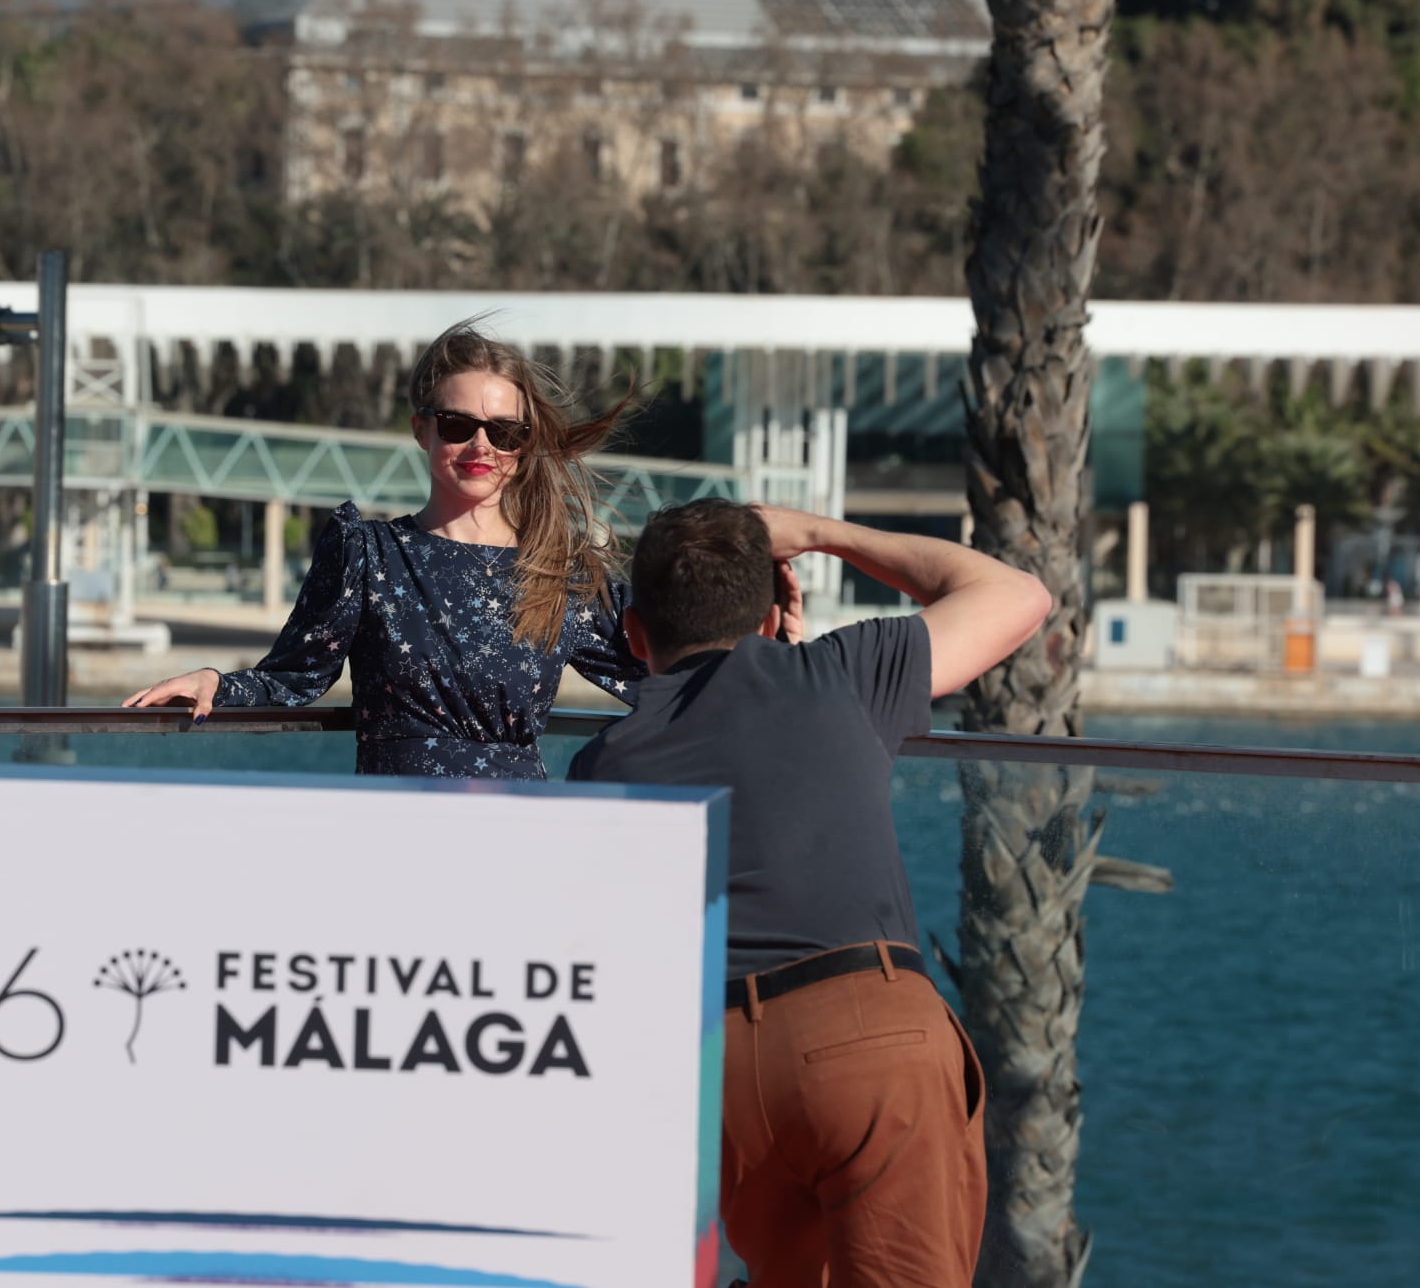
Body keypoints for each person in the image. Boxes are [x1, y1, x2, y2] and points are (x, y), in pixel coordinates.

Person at [567, 499, 1050, 1288]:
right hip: (865, 1041)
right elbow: (1018, 597)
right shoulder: (837, 674)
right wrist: (830, 534)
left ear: (636, 637)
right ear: (767, 617)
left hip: (719, 1075)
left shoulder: (604, 760)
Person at [122, 321, 650, 778]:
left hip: (515, 830)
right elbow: (294, 676)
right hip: (393, 821)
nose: (482, 447)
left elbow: (666, 663)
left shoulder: (560, 573)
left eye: (506, 432)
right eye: (458, 425)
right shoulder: (366, 554)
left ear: (525, 443)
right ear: (421, 429)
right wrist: (215, 682)